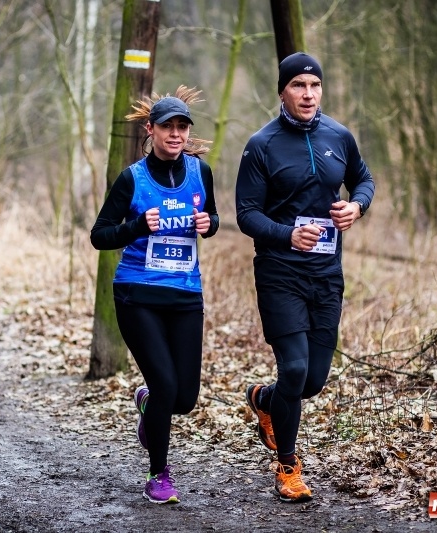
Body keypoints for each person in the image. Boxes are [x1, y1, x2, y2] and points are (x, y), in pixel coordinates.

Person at [235, 52, 375, 503]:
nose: (308, 94)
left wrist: (357, 206)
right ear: (282, 91)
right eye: (298, 86)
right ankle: (289, 467)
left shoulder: (340, 136)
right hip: (279, 272)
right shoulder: (262, 145)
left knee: (311, 381)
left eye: (314, 86)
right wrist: (287, 235)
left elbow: (363, 181)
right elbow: (246, 215)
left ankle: (265, 400)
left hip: (327, 275)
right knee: (293, 368)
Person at [90, 87, 219, 504]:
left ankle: (147, 404)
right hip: (137, 293)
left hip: (185, 294)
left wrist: (208, 223)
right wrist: (137, 227)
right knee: (165, 383)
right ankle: (158, 474)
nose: (176, 134)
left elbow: (213, 218)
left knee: (183, 399)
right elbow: (99, 236)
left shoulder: (201, 173)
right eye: (168, 127)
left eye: (182, 127)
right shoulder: (133, 178)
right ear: (151, 130)